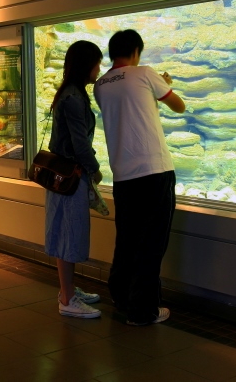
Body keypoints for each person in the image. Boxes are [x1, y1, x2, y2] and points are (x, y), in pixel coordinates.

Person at [93, 29, 186, 326]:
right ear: (136, 52)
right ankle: (143, 311)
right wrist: (164, 85)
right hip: (154, 170)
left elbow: (130, 108)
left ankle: (121, 298)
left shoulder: (100, 84)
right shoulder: (145, 73)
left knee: (128, 239)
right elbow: (179, 105)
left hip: (123, 175)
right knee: (152, 243)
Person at [44, 40, 105, 319]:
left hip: (63, 176)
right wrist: (95, 168)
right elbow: (79, 144)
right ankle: (67, 300)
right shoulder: (74, 97)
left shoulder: (69, 93)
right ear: (86, 65)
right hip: (70, 176)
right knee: (69, 233)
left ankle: (67, 290)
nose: (99, 69)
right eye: (97, 63)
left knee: (63, 231)